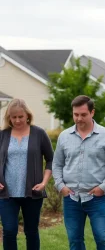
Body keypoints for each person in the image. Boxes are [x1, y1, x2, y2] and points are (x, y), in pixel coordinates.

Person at [52, 95, 105, 250]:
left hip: (97, 198)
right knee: (75, 241)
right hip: (71, 198)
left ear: (92, 113)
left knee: (102, 239)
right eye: (76, 114)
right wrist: (60, 186)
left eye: (83, 114)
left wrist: (104, 187)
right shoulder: (64, 137)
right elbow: (57, 164)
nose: (79, 118)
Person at [0, 98, 54, 250]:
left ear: (27, 116)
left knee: (31, 231)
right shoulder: (2, 135)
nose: (17, 120)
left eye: (20, 117)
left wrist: (44, 183)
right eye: (13, 117)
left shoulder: (39, 134)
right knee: (9, 231)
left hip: (32, 192)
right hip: (6, 193)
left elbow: (51, 159)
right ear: (9, 117)